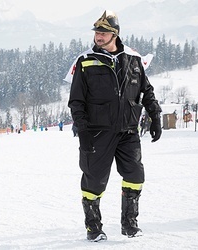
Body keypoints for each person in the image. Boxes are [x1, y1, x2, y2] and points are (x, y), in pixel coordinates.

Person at [67, 10, 162, 242]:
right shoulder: (85, 61)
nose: (98, 37)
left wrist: (155, 115)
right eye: (97, 32)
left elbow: (146, 91)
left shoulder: (133, 59)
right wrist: (83, 131)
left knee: (135, 175)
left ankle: (129, 224)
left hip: (128, 130)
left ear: (115, 34)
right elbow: (76, 101)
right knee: (94, 180)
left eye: (103, 33)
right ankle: (94, 227)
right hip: (98, 131)